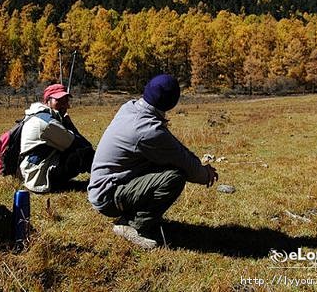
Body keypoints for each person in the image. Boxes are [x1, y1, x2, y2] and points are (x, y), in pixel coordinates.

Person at [88, 74, 219, 249]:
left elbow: (174, 149)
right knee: (174, 177)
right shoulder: (147, 130)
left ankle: (138, 216)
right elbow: (183, 162)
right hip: (108, 196)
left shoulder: (130, 108)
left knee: (166, 166)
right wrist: (205, 174)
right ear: (172, 102)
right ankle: (131, 225)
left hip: (106, 186)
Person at [19, 83, 94, 193]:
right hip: (38, 176)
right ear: (47, 101)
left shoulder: (37, 115)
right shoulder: (48, 123)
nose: (65, 105)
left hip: (32, 169)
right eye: (59, 101)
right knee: (83, 153)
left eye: (66, 101)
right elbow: (80, 145)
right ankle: (105, 177)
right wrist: (69, 125)